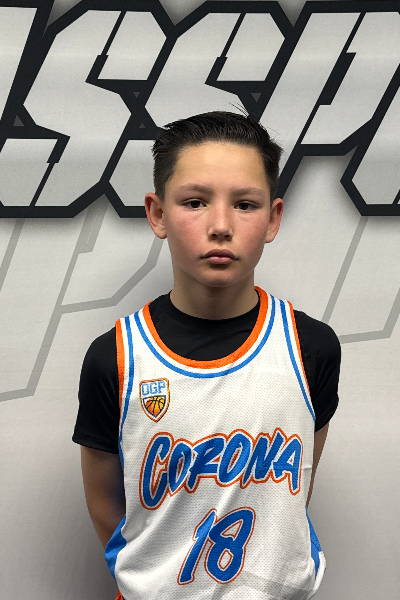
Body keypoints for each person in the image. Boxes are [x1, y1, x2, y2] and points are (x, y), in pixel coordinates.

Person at [73, 111, 341, 600]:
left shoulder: (311, 347)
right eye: (195, 202)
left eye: (245, 204)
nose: (220, 226)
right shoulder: (115, 357)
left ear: (273, 218)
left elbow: (294, 493)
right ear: (157, 214)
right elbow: (107, 508)